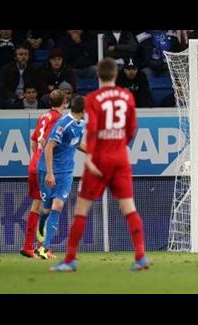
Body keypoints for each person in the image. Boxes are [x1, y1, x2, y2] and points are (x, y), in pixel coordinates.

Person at [50, 58, 149, 272]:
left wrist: (91, 156)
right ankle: (140, 257)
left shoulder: (93, 98)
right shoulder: (127, 96)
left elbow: (93, 128)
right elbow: (132, 128)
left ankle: (69, 260)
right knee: (129, 207)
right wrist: (120, 145)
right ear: (115, 74)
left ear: (98, 76)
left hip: (100, 159)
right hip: (120, 158)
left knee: (82, 208)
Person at [35, 96, 86, 259]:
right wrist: (50, 172)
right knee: (46, 209)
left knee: (58, 206)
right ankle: (41, 224)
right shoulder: (64, 124)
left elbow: (76, 143)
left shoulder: (82, 124)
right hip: (48, 170)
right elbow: (49, 147)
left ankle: (45, 248)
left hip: (65, 172)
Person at [20, 90, 67, 258]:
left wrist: (36, 158)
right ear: (65, 101)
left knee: (37, 205)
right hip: (45, 168)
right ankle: (43, 248)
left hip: (34, 165)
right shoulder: (58, 119)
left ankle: (28, 246)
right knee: (48, 206)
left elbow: (34, 141)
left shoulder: (43, 117)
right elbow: (45, 141)